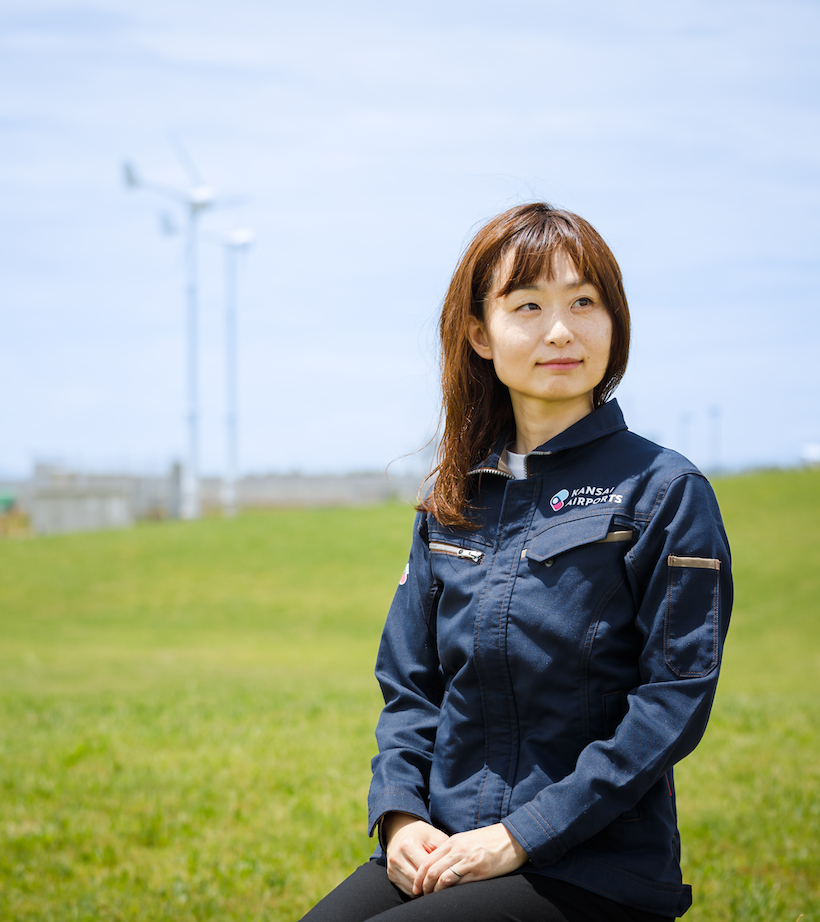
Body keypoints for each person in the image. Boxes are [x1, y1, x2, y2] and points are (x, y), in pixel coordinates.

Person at [299, 203, 734, 922]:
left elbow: (671, 705)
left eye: (584, 302)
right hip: (444, 842)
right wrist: (402, 816)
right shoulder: (453, 497)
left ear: (614, 322)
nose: (560, 331)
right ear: (479, 333)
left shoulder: (666, 492)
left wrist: (517, 837)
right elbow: (411, 687)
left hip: (590, 867)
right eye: (528, 305)